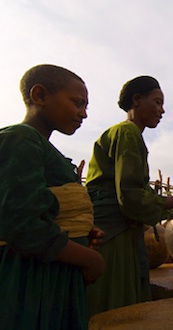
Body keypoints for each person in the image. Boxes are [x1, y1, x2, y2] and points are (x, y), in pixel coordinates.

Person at [85, 75, 173, 317]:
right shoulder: (127, 134)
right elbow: (132, 198)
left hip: (115, 231)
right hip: (112, 235)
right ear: (137, 100)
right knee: (113, 303)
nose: (162, 110)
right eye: (157, 102)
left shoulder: (122, 134)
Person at [0, 64, 106, 330]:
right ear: (40, 96)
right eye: (77, 103)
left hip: (53, 273)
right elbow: (20, 222)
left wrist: (80, 231)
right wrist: (90, 259)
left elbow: (51, 208)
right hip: (31, 281)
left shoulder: (46, 149)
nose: (83, 113)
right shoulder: (20, 139)